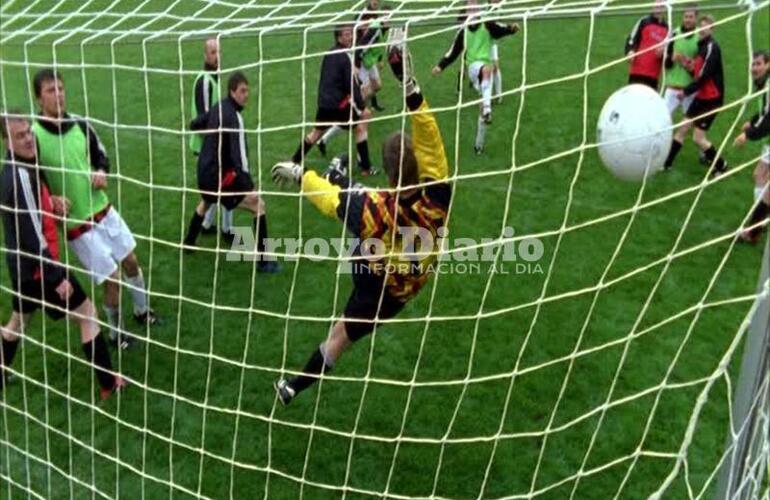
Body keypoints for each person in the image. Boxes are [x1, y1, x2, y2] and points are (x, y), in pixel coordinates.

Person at [271, 34, 451, 405]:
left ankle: (293, 385)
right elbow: (430, 137)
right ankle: (291, 387)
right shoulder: (439, 196)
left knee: (352, 206)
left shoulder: (376, 209)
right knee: (342, 336)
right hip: (403, 290)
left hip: (373, 280)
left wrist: (300, 175)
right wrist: (410, 85)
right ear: (419, 167)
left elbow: (329, 202)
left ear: (388, 175)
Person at [0, 111, 125, 400]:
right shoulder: (20, 177)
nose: (29, 139)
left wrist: (50, 201)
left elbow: (28, 218)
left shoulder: (18, 169)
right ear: (8, 142)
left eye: (29, 132)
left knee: (18, 322)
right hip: (40, 270)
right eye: (20, 136)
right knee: (87, 314)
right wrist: (56, 276)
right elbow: (32, 234)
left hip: (20, 270)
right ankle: (109, 384)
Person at [31, 69, 157, 350]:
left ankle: (143, 311)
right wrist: (50, 199)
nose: (59, 95)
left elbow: (101, 154)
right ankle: (116, 333)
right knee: (112, 278)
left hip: (103, 209)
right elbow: (29, 178)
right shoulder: (34, 136)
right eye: (51, 90)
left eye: (61, 88)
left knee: (131, 262)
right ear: (39, 98)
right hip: (77, 224)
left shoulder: (80, 124)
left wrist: (101, 171)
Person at [183, 71, 280, 273]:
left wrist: (195, 125)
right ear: (232, 92)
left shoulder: (219, 106)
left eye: (247, 91)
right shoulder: (235, 118)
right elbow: (240, 160)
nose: (246, 95)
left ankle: (189, 243)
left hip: (204, 174)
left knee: (206, 200)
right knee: (259, 205)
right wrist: (249, 187)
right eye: (242, 91)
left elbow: (199, 121)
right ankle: (264, 261)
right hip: (217, 178)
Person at [431, 0, 519, 154]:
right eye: (469, 8)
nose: (473, 10)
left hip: (485, 73)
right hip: (473, 68)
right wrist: (440, 66)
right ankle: (487, 108)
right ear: (466, 13)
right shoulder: (463, 31)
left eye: (475, 7)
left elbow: (501, 30)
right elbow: (452, 52)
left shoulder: (487, 24)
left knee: (482, 110)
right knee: (487, 69)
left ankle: (478, 144)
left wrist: (512, 29)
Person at [291, 24, 376, 176]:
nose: (350, 37)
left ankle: (294, 162)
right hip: (339, 105)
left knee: (315, 134)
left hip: (324, 104)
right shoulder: (344, 57)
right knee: (362, 123)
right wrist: (362, 106)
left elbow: (327, 79)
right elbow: (350, 84)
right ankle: (366, 168)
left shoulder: (329, 53)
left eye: (350, 33)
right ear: (338, 37)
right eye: (346, 34)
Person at [663, 15, 727, 176]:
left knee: (698, 138)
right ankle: (666, 164)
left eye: (707, 27)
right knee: (682, 128)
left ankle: (721, 166)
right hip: (701, 97)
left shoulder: (712, 47)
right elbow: (697, 72)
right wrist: (687, 65)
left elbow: (704, 76)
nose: (703, 29)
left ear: (713, 29)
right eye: (702, 26)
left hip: (712, 99)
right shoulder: (702, 45)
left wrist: (685, 92)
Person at [190, 37, 234, 243]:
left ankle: (206, 227)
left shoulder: (214, 77)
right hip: (207, 147)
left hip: (214, 144)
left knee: (214, 190)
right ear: (205, 55)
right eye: (213, 53)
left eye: (219, 52)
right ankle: (226, 230)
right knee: (228, 183)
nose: (217, 56)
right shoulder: (205, 82)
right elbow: (203, 119)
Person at [734, 50, 770, 243]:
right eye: (753, 64)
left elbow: (769, 120)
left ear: (768, 65)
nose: (754, 68)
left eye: (758, 64)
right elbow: (765, 112)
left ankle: (752, 232)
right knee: (759, 176)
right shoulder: (763, 84)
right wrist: (753, 120)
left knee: (768, 190)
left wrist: (747, 134)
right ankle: (760, 222)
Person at [663, 5, 699, 115]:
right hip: (672, 87)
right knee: (662, 118)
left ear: (696, 18)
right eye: (686, 17)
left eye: (691, 17)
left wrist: (686, 63)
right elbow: (666, 64)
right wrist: (672, 58)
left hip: (689, 89)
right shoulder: (674, 34)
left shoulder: (700, 36)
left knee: (692, 123)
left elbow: (700, 67)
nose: (688, 20)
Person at [624, 1, 668, 89]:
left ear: (665, 8)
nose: (658, 9)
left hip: (653, 76)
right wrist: (630, 51)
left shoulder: (667, 28)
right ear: (653, 6)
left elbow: (668, 53)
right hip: (637, 72)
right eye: (656, 6)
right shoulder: (644, 21)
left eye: (661, 6)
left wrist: (663, 53)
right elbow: (631, 39)